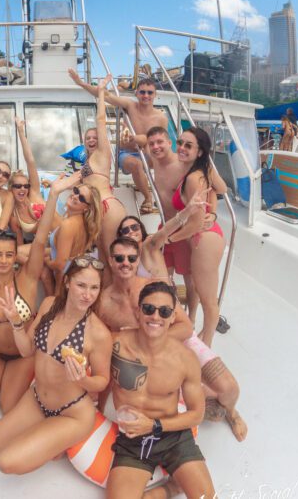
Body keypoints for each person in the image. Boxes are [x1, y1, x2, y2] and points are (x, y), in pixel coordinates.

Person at [96, 236, 247, 442]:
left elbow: (185, 326)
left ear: (138, 260)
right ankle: (192, 394)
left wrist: (152, 335)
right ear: (111, 261)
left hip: (179, 342)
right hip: (142, 353)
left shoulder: (155, 289)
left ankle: (232, 412)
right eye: (119, 258)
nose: (126, 263)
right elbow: (105, 345)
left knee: (229, 389)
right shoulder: (104, 303)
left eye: (132, 258)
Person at [0, 257, 112, 475]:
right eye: (81, 285)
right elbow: (26, 350)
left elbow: (102, 381)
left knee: (6, 462)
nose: (87, 294)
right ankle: (49, 439)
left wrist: (82, 380)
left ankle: (57, 439)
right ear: (68, 282)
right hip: (37, 399)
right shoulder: (49, 305)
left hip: (71, 413)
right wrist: (15, 322)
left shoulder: (98, 334)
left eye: (94, 287)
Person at [107, 281, 214, 499]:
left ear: (173, 317)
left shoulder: (186, 360)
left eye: (164, 311)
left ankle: (171, 487)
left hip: (172, 436)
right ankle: (169, 489)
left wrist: (154, 425)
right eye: (149, 309)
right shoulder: (116, 345)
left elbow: (197, 414)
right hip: (133, 440)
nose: (156, 317)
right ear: (138, 312)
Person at [0, 174, 61, 415]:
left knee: (8, 408)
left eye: (9, 255)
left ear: (16, 255)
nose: (4, 261)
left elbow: (40, 241)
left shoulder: (28, 278)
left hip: (22, 354)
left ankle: (25, 378)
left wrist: (54, 195)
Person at [152, 127, 226, 347]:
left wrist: (167, 239)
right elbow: (215, 190)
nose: (182, 148)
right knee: (205, 296)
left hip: (204, 239)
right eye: (181, 143)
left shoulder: (195, 177)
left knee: (208, 300)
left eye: (188, 145)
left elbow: (194, 223)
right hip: (198, 238)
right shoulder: (193, 171)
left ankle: (207, 344)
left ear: (200, 152)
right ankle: (202, 336)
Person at [69, 69, 167, 214]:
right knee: (137, 164)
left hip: (147, 152)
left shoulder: (161, 118)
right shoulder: (130, 105)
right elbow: (104, 95)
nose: (146, 95)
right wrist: (80, 83)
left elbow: (156, 140)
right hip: (126, 153)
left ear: (155, 95)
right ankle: (148, 198)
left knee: (163, 159)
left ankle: (165, 196)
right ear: (136, 94)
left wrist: (136, 138)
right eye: (142, 92)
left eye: (150, 93)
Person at [76, 75, 127, 258]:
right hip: (97, 209)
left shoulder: (102, 153)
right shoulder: (88, 161)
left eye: (95, 137)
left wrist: (101, 93)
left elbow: (101, 121)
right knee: (103, 258)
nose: (91, 140)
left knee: (111, 257)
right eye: (88, 138)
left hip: (107, 206)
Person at [44, 171, 101, 294]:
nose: (75, 196)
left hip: (63, 283)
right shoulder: (82, 223)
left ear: (86, 208)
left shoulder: (68, 225)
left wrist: (46, 261)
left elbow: (60, 264)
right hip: (71, 277)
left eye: (81, 198)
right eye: (76, 191)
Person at [9, 117, 46, 246]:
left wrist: (21, 132)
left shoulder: (34, 193)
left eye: (26, 186)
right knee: (19, 254)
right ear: (11, 189)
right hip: (42, 246)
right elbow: (20, 245)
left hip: (60, 236)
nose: (23, 189)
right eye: (18, 186)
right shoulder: (14, 215)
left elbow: (30, 161)